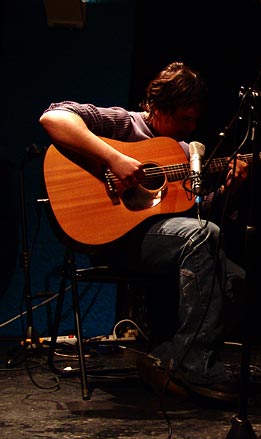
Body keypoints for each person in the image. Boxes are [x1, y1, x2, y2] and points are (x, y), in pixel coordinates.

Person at [39, 61, 249, 403]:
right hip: (113, 241)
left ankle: (166, 357)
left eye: (195, 119)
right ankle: (192, 364)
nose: (192, 127)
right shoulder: (124, 123)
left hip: (163, 245)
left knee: (237, 281)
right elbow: (52, 118)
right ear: (158, 108)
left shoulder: (182, 152)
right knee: (202, 236)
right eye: (184, 118)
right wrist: (114, 159)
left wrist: (228, 192)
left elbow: (198, 212)